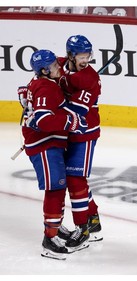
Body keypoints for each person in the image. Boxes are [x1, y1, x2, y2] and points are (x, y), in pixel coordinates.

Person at [20, 49, 87, 260]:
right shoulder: (46, 88)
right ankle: (49, 239)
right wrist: (71, 122)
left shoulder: (43, 80)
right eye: (54, 67)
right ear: (44, 71)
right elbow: (43, 121)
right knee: (55, 187)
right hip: (44, 146)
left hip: (48, 144)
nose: (59, 67)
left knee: (58, 186)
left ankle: (55, 227)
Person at [55, 35, 103, 246]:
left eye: (88, 56)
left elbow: (76, 111)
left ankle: (83, 229)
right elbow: (44, 70)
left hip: (84, 132)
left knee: (76, 179)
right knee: (72, 178)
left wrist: (46, 115)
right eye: (82, 56)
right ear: (70, 55)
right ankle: (93, 219)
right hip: (66, 132)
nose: (86, 60)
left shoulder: (90, 79)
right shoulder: (62, 64)